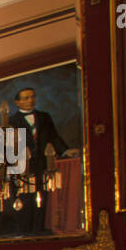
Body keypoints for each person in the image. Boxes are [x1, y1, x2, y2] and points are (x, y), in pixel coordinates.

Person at [6, 87, 78, 235]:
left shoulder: (44, 117)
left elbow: (54, 137)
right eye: (26, 98)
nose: (30, 100)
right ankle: (25, 230)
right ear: (17, 102)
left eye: (32, 97)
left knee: (42, 196)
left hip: (42, 164)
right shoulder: (10, 121)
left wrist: (65, 150)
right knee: (24, 197)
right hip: (21, 167)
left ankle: (38, 230)